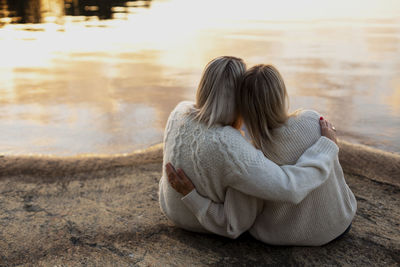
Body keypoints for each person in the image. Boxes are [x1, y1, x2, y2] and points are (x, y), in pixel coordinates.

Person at [165, 64, 357, 246]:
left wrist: (192, 196)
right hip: (341, 222)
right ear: (281, 94)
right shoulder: (313, 119)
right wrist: (328, 145)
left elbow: (235, 222)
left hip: (281, 237)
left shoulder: (252, 154)